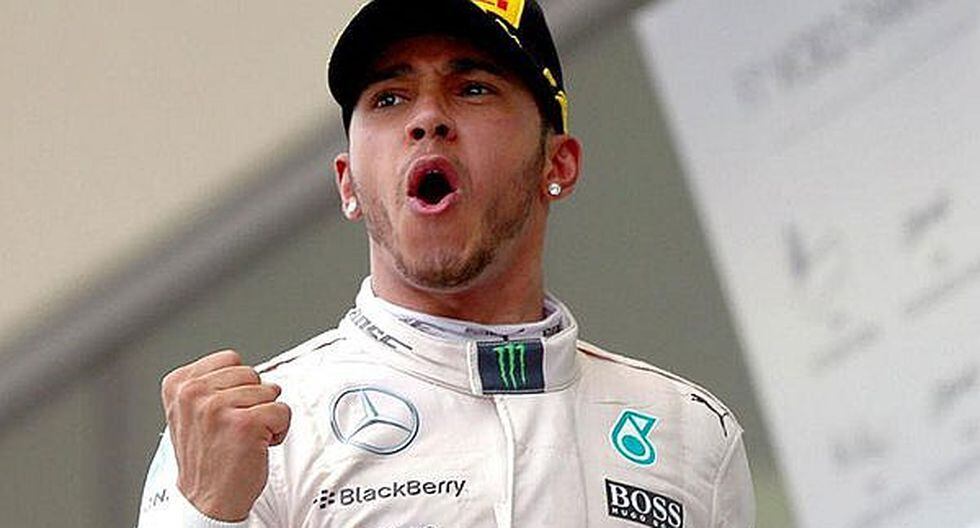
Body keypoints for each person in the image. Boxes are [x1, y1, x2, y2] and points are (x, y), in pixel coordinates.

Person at [137, 1, 755, 526]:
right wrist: (206, 513)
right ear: (348, 184)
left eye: (473, 88)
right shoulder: (254, 430)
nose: (427, 119)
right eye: (389, 97)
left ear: (558, 164)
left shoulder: (688, 432)